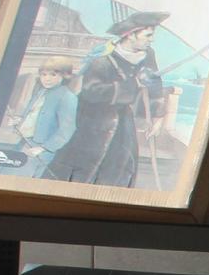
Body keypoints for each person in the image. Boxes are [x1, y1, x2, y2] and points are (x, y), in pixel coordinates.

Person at [44, 10, 177, 188]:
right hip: (92, 122)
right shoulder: (102, 60)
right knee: (81, 169)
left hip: (123, 123)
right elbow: (91, 91)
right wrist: (132, 85)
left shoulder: (147, 55)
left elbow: (154, 84)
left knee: (121, 168)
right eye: (148, 35)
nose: (151, 39)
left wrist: (157, 117)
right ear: (130, 35)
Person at [15, 55, 78, 179]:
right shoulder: (40, 91)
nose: (47, 79)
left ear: (64, 76)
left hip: (42, 149)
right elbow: (34, 115)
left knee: (24, 178)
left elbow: (67, 129)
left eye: (53, 75)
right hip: (25, 142)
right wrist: (19, 120)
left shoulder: (67, 96)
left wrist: (44, 148)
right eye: (44, 74)